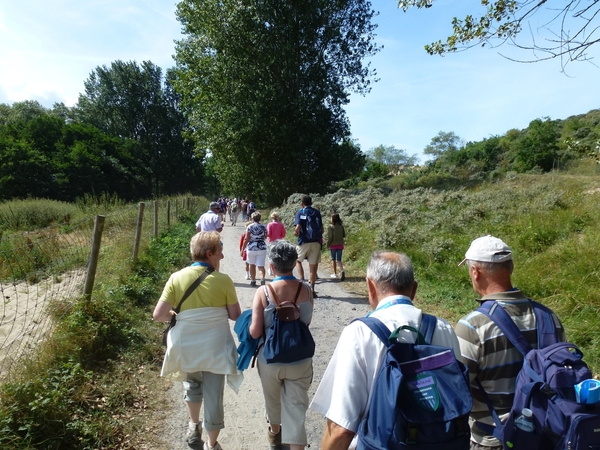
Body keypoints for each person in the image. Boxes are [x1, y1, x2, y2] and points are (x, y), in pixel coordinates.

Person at [310, 251, 461, 450]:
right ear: (414, 289)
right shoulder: (444, 328)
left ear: (370, 287)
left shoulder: (359, 333)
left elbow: (341, 428)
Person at [454, 235, 566, 450]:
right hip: (547, 437)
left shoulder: (473, 326)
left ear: (475, 272)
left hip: (494, 440)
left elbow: (457, 390)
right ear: (511, 268)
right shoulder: (549, 317)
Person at [153, 231, 242, 450]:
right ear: (209, 253)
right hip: (215, 347)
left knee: (191, 385)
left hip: (187, 345)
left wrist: (175, 315)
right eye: (220, 252)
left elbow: (158, 315)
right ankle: (212, 444)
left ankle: (194, 426)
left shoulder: (177, 277)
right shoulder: (223, 281)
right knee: (214, 395)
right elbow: (235, 315)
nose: (222, 257)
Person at [249, 240, 314, 450]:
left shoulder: (263, 292)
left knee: (272, 399)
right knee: (296, 409)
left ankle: (275, 435)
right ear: (295, 263)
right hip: (300, 358)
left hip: (270, 358)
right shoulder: (307, 290)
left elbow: (256, 331)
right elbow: (306, 322)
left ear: (272, 266)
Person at [293, 195, 323, 297]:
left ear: (302, 203)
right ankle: (312, 290)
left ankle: (302, 283)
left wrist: (296, 233)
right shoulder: (317, 212)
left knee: (297, 261)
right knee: (313, 266)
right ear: (311, 203)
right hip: (316, 242)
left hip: (304, 241)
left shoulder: (300, 212)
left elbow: (298, 227)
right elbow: (322, 229)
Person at [241, 212, 268, 286]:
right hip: (262, 247)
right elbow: (265, 236)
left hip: (251, 248)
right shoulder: (264, 226)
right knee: (261, 266)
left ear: (252, 218)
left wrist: (243, 249)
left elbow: (247, 238)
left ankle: (253, 281)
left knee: (252, 265)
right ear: (260, 218)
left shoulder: (249, 227)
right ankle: (262, 278)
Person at [267, 211, 287, 276]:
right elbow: (283, 235)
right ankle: (277, 269)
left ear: (271, 217)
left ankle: (271, 270)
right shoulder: (281, 225)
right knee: (278, 256)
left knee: (271, 256)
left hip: (271, 242)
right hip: (279, 242)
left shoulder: (270, 224)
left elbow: (269, 234)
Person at [327, 213, 346, 281]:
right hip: (340, 244)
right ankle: (342, 270)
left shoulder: (330, 227)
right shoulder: (341, 226)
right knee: (339, 260)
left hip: (333, 245)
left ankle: (334, 273)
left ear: (333, 219)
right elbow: (344, 235)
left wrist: (328, 244)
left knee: (333, 259)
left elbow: (330, 237)